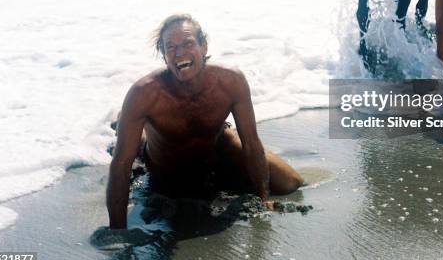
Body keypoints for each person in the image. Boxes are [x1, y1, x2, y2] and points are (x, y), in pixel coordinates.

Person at [107, 13, 304, 229]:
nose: (179, 52)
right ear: (164, 56)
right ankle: (128, 126)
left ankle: (223, 131)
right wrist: (118, 229)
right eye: (170, 47)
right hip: (166, 166)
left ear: (204, 46)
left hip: (215, 155)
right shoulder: (144, 93)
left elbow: (251, 142)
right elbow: (121, 165)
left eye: (188, 43)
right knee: (138, 145)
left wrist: (263, 198)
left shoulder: (231, 81)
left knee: (290, 182)